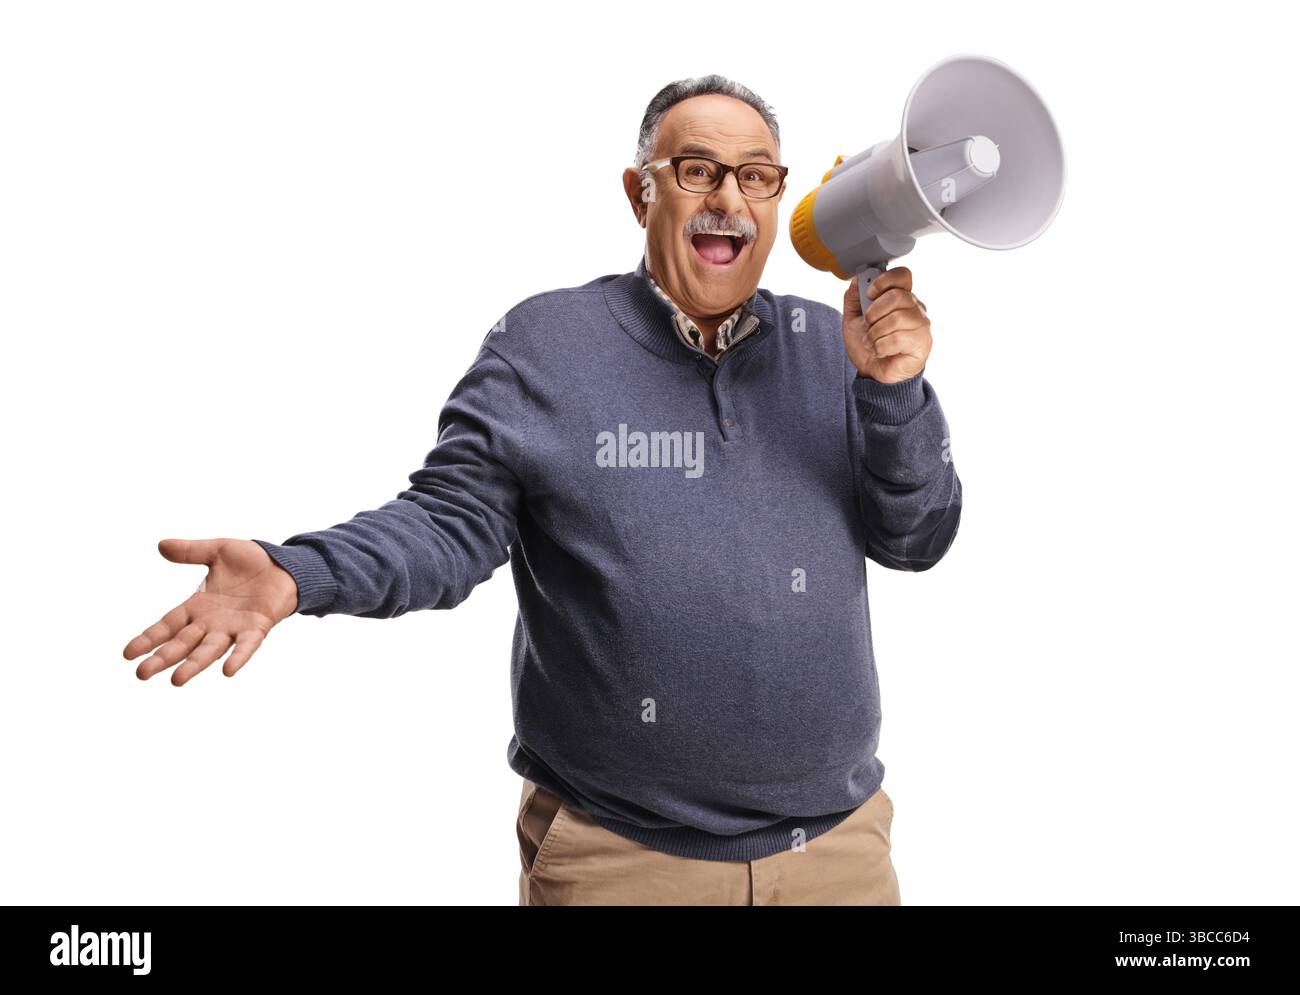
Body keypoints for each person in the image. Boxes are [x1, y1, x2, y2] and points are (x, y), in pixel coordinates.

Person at [122, 74, 961, 906]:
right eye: (696, 170)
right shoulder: (546, 346)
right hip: (624, 859)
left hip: (839, 852)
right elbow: (448, 527)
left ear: (779, 196)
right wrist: (299, 571)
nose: (728, 200)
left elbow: (916, 538)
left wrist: (891, 390)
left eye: (755, 175)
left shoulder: (832, 346)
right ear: (641, 194)